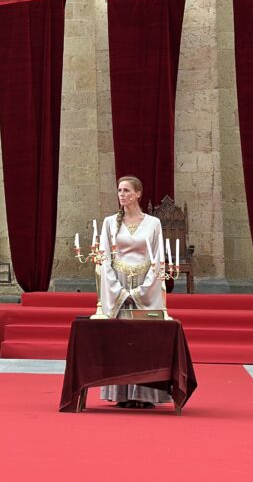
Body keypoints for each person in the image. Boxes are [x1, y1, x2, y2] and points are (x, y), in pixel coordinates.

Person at [98, 175, 171, 409]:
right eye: (119, 190)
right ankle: (122, 393)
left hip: (145, 282)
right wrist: (118, 290)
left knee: (144, 339)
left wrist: (142, 290)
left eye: (127, 190)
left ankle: (145, 394)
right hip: (117, 283)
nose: (122, 194)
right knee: (121, 339)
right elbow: (103, 259)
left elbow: (158, 259)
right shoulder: (110, 222)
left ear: (138, 194)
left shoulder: (153, 223)